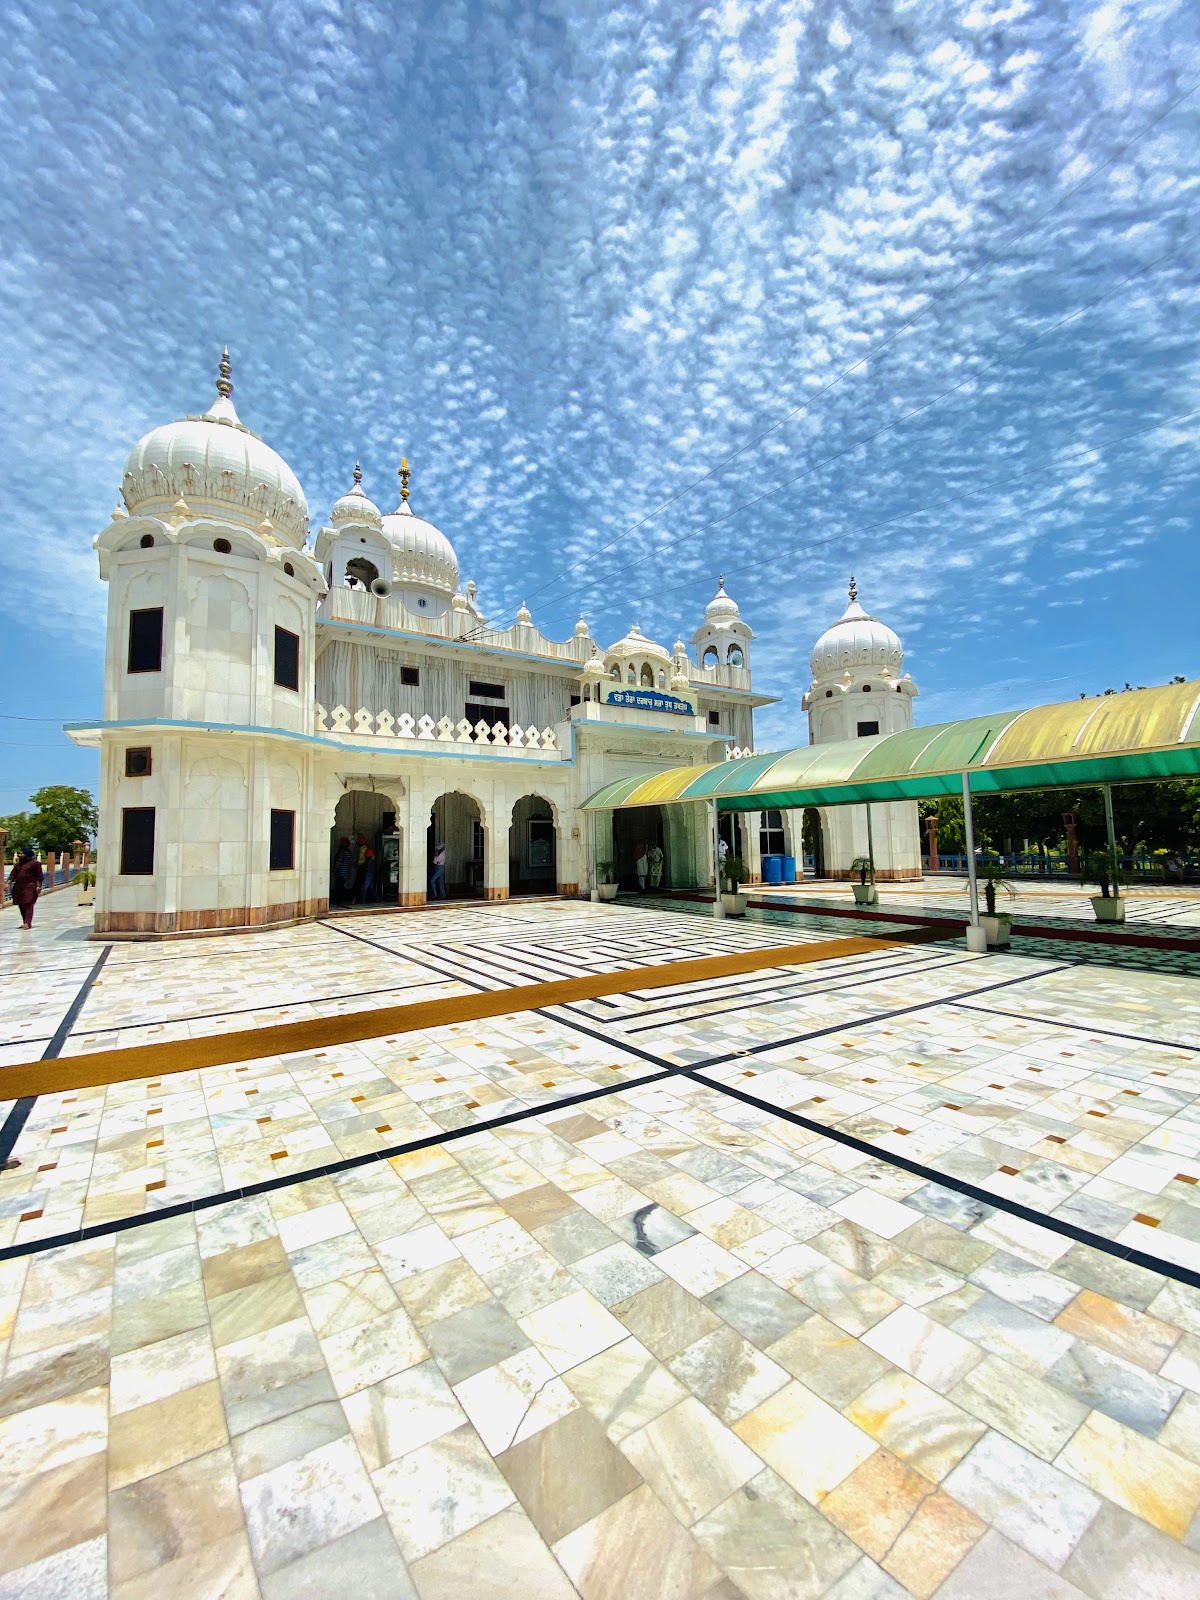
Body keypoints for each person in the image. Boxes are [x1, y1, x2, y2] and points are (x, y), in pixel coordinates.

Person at [7, 846, 44, 930]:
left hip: (30, 886)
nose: (20, 855)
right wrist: (8, 883)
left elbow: (39, 876)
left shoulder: (35, 864)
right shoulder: (18, 864)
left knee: (29, 904)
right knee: (21, 904)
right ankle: (25, 921)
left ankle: (28, 923)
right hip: (19, 887)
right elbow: (13, 875)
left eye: (22, 853)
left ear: (27, 855)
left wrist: (38, 886)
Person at [333, 836, 355, 904]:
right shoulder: (350, 853)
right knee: (342, 886)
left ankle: (339, 900)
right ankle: (343, 898)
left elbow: (338, 863)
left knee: (339, 887)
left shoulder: (341, 852)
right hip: (346, 873)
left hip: (340, 873)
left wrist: (334, 870)